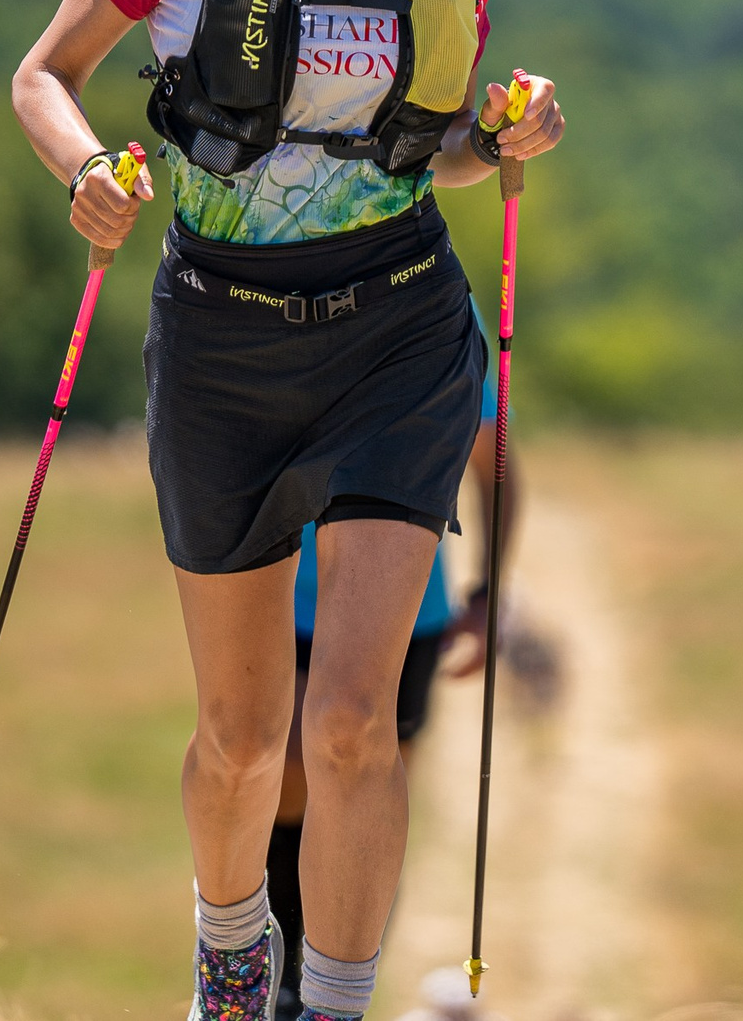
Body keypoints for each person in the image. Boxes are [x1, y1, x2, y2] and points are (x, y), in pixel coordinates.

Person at [10, 0, 564, 1021]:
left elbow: (416, 150)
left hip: (396, 332)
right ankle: (231, 955)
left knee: (353, 725)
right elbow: (43, 74)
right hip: (224, 340)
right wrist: (91, 177)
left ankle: (332, 1002)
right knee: (245, 738)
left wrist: (502, 136)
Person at [266, 370, 521, 1020]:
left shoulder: (441, 305)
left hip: (405, 607)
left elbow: (494, 462)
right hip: (283, 594)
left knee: (365, 797)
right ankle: (283, 980)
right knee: (289, 775)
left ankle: (337, 991)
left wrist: (490, 586)